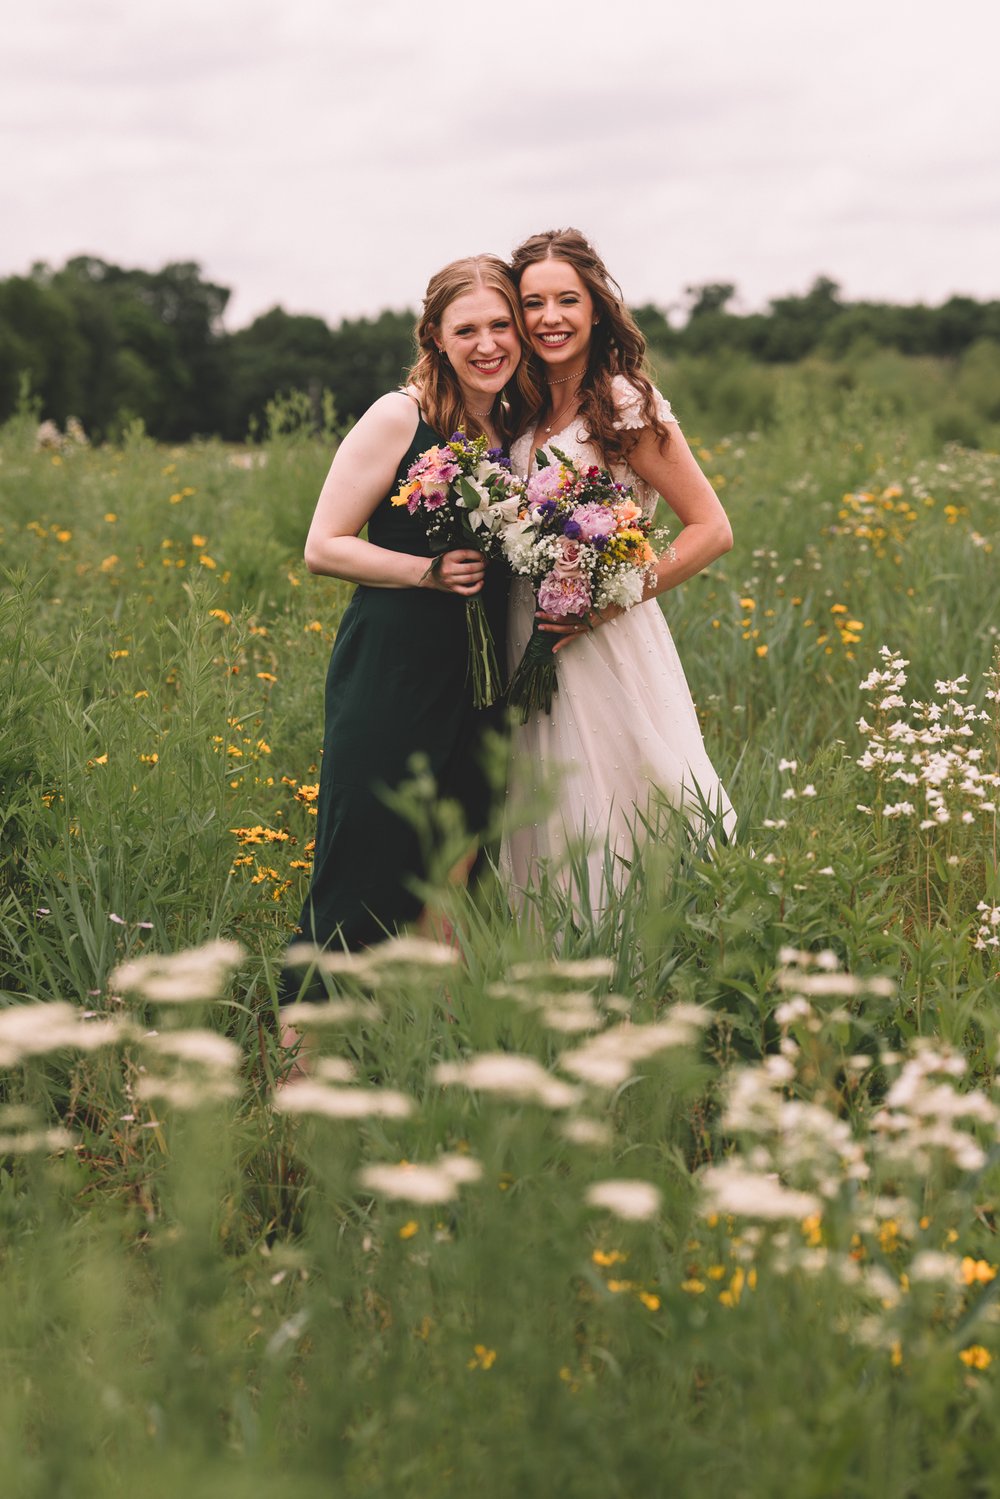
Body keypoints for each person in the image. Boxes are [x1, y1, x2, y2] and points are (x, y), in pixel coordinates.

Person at [279, 254, 536, 1012]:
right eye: (467, 329)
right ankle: (303, 1052)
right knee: (367, 852)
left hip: (483, 670)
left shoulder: (514, 425)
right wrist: (425, 570)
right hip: (394, 661)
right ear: (435, 336)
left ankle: (422, 1038)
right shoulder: (401, 414)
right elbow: (323, 545)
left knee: (458, 856)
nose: (488, 343)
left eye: (501, 325)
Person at [501, 228, 737, 916]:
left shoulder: (624, 402)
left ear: (597, 308)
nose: (549, 317)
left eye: (566, 300)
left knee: (613, 804)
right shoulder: (524, 408)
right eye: (533, 302)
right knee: (538, 812)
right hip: (526, 632)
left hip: (604, 637)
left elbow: (712, 528)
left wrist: (610, 600)